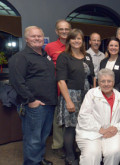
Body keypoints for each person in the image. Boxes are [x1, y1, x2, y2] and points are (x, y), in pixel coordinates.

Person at [9, 26, 57, 165]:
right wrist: (31, 100)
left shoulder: (45, 55)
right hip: (34, 106)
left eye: (39, 36)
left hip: (48, 104)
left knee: (43, 137)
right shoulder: (20, 57)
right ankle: (32, 162)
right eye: (33, 36)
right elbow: (17, 82)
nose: (37, 38)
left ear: (43, 38)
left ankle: (39, 159)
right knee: (33, 138)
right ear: (26, 39)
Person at [56, 29, 95, 164]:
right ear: (69, 41)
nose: (76, 41)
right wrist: (68, 101)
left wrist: (94, 93)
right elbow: (61, 80)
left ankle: (81, 153)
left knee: (84, 126)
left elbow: (92, 76)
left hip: (86, 95)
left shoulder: (87, 56)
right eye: (73, 38)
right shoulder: (64, 57)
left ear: (82, 41)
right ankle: (70, 158)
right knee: (71, 128)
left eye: (79, 38)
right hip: (71, 95)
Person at [76, 68, 120, 165]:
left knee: (113, 152)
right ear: (99, 82)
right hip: (91, 132)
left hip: (113, 132)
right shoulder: (91, 94)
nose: (106, 84)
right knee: (92, 154)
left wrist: (116, 128)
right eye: (103, 81)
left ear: (113, 82)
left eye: (109, 81)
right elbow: (84, 116)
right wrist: (100, 129)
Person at [45, 19, 71, 159]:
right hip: (58, 89)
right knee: (58, 119)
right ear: (56, 31)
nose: (64, 31)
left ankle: (70, 144)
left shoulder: (75, 45)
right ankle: (57, 145)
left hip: (74, 88)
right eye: (61, 29)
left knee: (72, 118)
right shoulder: (50, 47)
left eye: (67, 29)